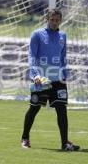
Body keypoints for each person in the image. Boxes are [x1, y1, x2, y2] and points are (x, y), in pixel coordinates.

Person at [21, 9, 80, 151]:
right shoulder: (37, 34)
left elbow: (62, 57)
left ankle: (65, 143)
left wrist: (64, 75)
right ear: (47, 19)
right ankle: (25, 138)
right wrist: (35, 75)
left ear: (60, 20)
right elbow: (31, 56)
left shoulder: (63, 36)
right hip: (41, 79)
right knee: (34, 108)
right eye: (52, 20)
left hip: (58, 79)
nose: (54, 22)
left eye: (57, 20)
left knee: (62, 110)